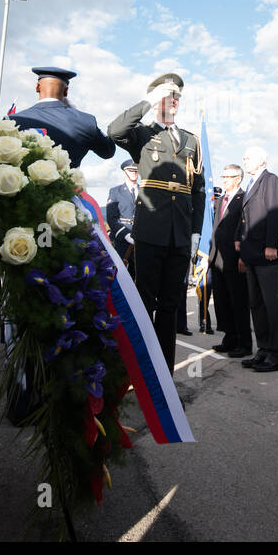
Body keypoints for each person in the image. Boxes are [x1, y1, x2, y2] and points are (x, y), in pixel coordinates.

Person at [107, 73, 205, 370]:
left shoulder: (191, 141)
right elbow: (114, 131)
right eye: (167, 95)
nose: (173, 100)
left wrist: (196, 232)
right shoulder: (143, 134)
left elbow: (197, 191)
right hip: (150, 230)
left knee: (170, 306)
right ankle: (139, 370)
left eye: (177, 96)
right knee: (144, 301)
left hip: (179, 234)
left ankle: (164, 373)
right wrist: (150, 100)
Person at [236, 147, 278, 372]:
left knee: (272, 306)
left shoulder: (270, 181)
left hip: (267, 254)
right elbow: (245, 217)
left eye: (248, 158)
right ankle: (264, 350)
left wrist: (270, 244)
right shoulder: (251, 184)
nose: (245, 161)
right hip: (252, 254)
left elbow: (275, 213)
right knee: (257, 305)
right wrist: (240, 240)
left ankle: (277, 356)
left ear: (260, 161)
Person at [9, 66, 116, 168]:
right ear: (66, 91)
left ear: (37, 87)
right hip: (67, 186)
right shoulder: (85, 121)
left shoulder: (12, 121)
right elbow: (108, 152)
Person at [210, 165, 252, 356]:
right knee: (222, 300)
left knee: (238, 301)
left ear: (239, 178)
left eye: (228, 176)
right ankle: (229, 338)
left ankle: (244, 343)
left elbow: (245, 228)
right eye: (223, 176)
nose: (224, 179)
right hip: (218, 257)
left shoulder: (244, 198)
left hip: (234, 258)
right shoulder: (221, 200)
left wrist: (243, 255)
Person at [105, 159, 140, 275]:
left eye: (136, 170)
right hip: (121, 239)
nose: (134, 173)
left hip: (141, 240)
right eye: (131, 170)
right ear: (124, 171)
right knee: (119, 276)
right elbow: (111, 218)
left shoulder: (145, 191)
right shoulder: (115, 191)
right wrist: (125, 234)